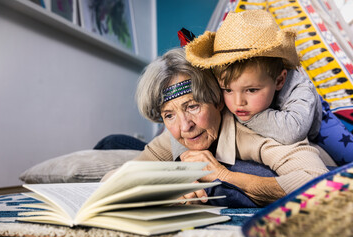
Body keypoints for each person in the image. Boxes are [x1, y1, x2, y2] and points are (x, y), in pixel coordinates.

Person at [102, 47, 329, 208]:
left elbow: (321, 183)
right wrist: (168, 182)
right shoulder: (178, 134)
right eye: (169, 115)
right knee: (111, 142)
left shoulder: (258, 130)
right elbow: (114, 177)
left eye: (192, 106)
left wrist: (222, 175)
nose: (185, 126)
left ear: (218, 101)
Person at [185, 9, 353, 165]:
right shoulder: (231, 87)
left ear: (279, 81)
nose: (238, 102)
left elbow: (292, 131)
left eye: (251, 90)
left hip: (318, 124)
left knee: (349, 156)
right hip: (274, 120)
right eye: (227, 90)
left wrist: (250, 118)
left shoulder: (301, 88)